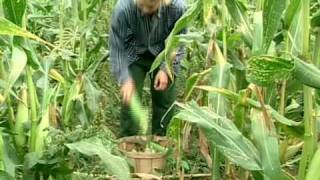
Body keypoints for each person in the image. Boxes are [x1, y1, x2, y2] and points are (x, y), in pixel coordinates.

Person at [109, 0, 186, 137]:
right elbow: (117, 47)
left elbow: (179, 41)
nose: (144, 10)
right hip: (134, 53)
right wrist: (124, 79)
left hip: (164, 54)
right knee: (131, 101)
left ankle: (161, 143)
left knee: (164, 102)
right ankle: (128, 143)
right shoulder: (123, 9)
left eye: (150, 7)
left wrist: (166, 67)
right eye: (141, 6)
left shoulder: (178, 8)